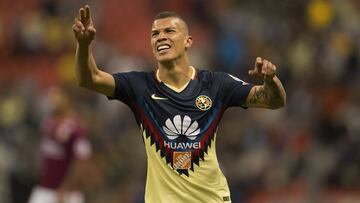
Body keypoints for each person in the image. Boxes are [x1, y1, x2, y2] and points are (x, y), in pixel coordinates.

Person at [72, 5, 286, 203]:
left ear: (188, 41)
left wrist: (271, 80)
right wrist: (83, 45)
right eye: (155, 34)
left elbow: (274, 101)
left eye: (169, 31)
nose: (161, 37)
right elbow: (88, 79)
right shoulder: (140, 86)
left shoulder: (216, 84)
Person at [28, 87, 92, 203]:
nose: (54, 100)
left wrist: (66, 188)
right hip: (45, 187)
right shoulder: (47, 123)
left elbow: (81, 161)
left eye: (58, 96)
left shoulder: (76, 128)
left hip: (67, 193)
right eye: (52, 96)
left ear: (67, 99)